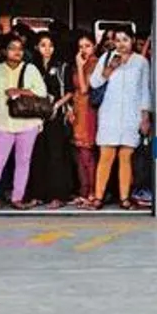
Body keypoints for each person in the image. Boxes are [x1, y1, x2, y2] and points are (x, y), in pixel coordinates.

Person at [0, 34, 48, 211]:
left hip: (28, 122)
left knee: (23, 161)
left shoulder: (30, 69)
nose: (17, 52)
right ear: (3, 51)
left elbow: (42, 92)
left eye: (20, 49)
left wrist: (20, 91)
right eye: (12, 48)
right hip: (2, 121)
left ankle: (18, 198)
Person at [88, 25, 152, 210]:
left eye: (125, 40)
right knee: (106, 156)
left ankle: (124, 198)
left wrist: (145, 116)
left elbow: (144, 91)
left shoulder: (141, 62)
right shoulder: (106, 58)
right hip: (109, 114)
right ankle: (98, 197)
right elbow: (94, 83)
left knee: (126, 156)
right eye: (118, 40)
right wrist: (109, 69)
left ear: (132, 40)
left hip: (131, 116)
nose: (122, 44)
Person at [27, 32, 75, 208]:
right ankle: (38, 194)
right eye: (43, 45)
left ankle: (58, 195)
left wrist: (56, 106)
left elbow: (70, 91)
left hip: (56, 116)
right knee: (38, 154)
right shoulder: (31, 67)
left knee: (56, 155)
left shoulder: (62, 67)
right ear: (36, 47)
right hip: (36, 117)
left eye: (51, 45)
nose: (47, 49)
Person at [67, 31, 99, 207]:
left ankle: (93, 192)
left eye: (87, 46)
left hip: (88, 110)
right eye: (80, 47)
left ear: (94, 47)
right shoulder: (78, 64)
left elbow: (85, 88)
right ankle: (83, 190)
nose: (84, 50)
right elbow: (75, 90)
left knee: (87, 153)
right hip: (78, 109)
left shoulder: (94, 64)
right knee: (78, 154)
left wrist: (80, 66)